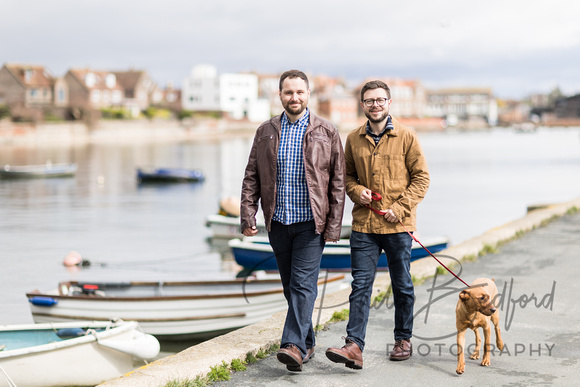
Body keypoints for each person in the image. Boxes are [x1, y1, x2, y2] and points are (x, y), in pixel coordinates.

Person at [240, 69, 346, 372]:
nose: (294, 97)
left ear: (308, 94)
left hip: (311, 224)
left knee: (302, 285)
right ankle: (308, 341)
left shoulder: (327, 131)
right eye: (288, 92)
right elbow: (252, 176)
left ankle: (292, 346)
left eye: (299, 92)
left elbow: (337, 181)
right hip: (279, 222)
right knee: (291, 287)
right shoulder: (266, 131)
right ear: (280, 95)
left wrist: (334, 225)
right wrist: (249, 213)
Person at [325, 80, 430, 369]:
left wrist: (400, 208)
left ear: (389, 102)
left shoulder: (408, 136)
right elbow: (345, 179)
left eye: (380, 100)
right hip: (364, 227)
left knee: (403, 285)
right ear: (363, 105)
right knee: (360, 286)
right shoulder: (353, 138)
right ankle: (354, 346)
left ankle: (403, 339)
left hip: (398, 226)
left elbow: (422, 179)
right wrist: (357, 192)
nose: (375, 105)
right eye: (370, 100)